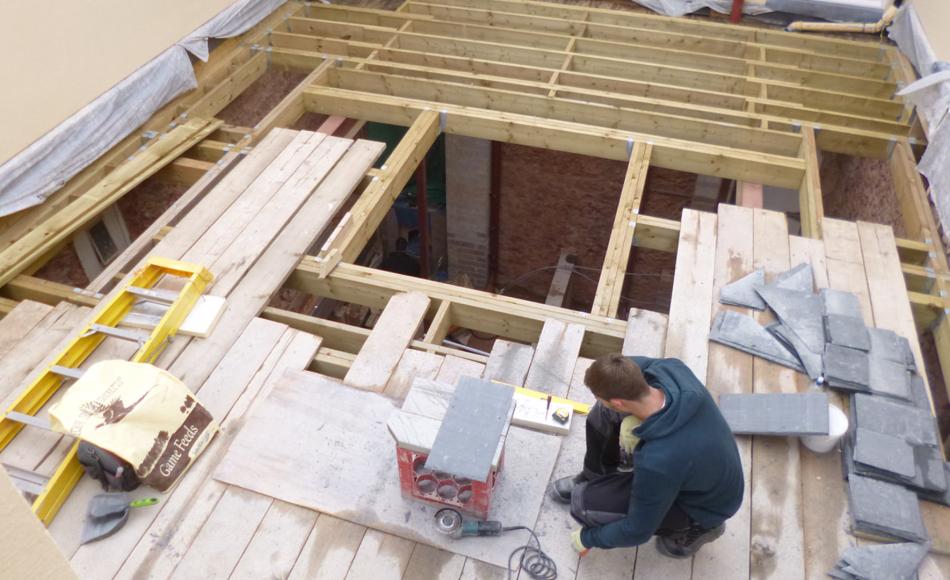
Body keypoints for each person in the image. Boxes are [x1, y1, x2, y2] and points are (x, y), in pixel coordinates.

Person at [550, 353, 743, 559]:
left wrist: (589, 538)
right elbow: (621, 371)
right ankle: (593, 474)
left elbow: (637, 530)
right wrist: (633, 418)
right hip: (698, 465)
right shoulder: (671, 370)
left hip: (707, 504)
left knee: (585, 505)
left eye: (603, 399)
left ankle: (704, 528)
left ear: (618, 402)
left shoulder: (658, 460)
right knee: (602, 413)